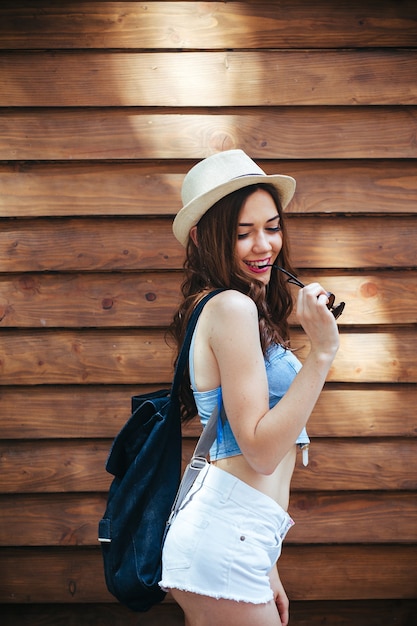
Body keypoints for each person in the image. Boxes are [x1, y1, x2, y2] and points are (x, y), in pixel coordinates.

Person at [159, 149, 340, 626]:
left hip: (242, 535)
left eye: (272, 227)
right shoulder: (231, 308)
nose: (264, 245)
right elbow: (258, 452)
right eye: (243, 233)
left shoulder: (241, 309)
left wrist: (269, 564)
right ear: (202, 238)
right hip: (225, 536)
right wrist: (320, 354)